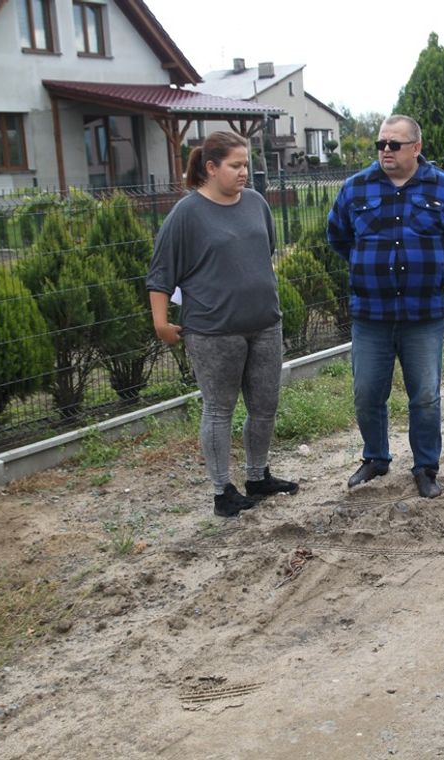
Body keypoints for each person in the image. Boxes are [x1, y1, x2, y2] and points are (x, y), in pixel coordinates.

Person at [146, 131, 298, 517]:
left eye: (246, 164)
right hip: (213, 331)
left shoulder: (256, 204)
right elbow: (161, 273)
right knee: (219, 410)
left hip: (265, 324)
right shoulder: (187, 213)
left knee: (265, 406)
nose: (244, 172)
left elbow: (265, 252)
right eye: (235, 165)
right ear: (211, 167)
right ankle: (221, 492)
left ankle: (257, 476)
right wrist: (161, 323)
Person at [326, 115, 444, 498]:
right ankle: (376, 458)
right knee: (366, 392)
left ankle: (426, 467)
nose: (386, 151)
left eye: (394, 144)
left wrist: (432, 268)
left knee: (425, 395)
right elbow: (339, 237)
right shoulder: (356, 189)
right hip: (371, 316)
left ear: (416, 147)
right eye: (381, 144)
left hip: (422, 315)